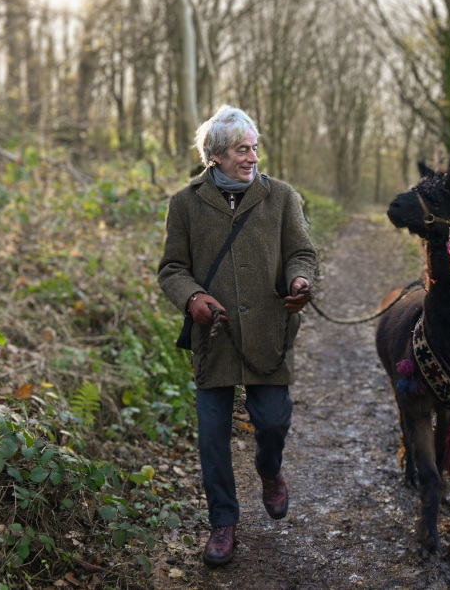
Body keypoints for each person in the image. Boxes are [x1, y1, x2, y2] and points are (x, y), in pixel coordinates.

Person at [157, 105, 317, 567]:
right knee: (212, 436)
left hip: (270, 334)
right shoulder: (185, 203)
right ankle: (223, 522)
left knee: (271, 421)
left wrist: (300, 282)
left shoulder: (282, 197)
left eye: (254, 148)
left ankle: (269, 471)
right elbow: (172, 268)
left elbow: (302, 254)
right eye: (241, 150)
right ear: (216, 156)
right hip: (215, 338)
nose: (252, 157)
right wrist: (191, 299)